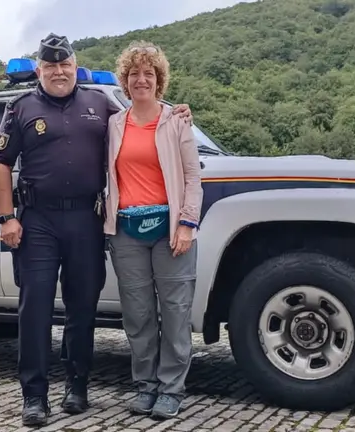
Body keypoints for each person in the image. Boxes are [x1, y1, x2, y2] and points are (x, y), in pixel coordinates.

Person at [0, 33, 193, 427]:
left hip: (86, 218)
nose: (59, 72)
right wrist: (6, 217)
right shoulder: (21, 107)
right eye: (51, 66)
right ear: (39, 70)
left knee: (82, 308)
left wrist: (177, 111)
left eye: (65, 64)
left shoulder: (100, 104)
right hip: (38, 221)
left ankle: (77, 387)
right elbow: (0, 164)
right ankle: (34, 396)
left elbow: (143, 117)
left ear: (75, 65)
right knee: (35, 309)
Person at [103, 40, 203, 420]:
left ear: (159, 80)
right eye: (134, 73)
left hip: (170, 230)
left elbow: (193, 178)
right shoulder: (114, 124)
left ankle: (171, 389)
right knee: (138, 313)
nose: (141, 79)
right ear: (125, 81)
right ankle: (145, 386)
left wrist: (187, 223)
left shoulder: (176, 121)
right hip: (127, 231)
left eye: (149, 73)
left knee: (175, 312)